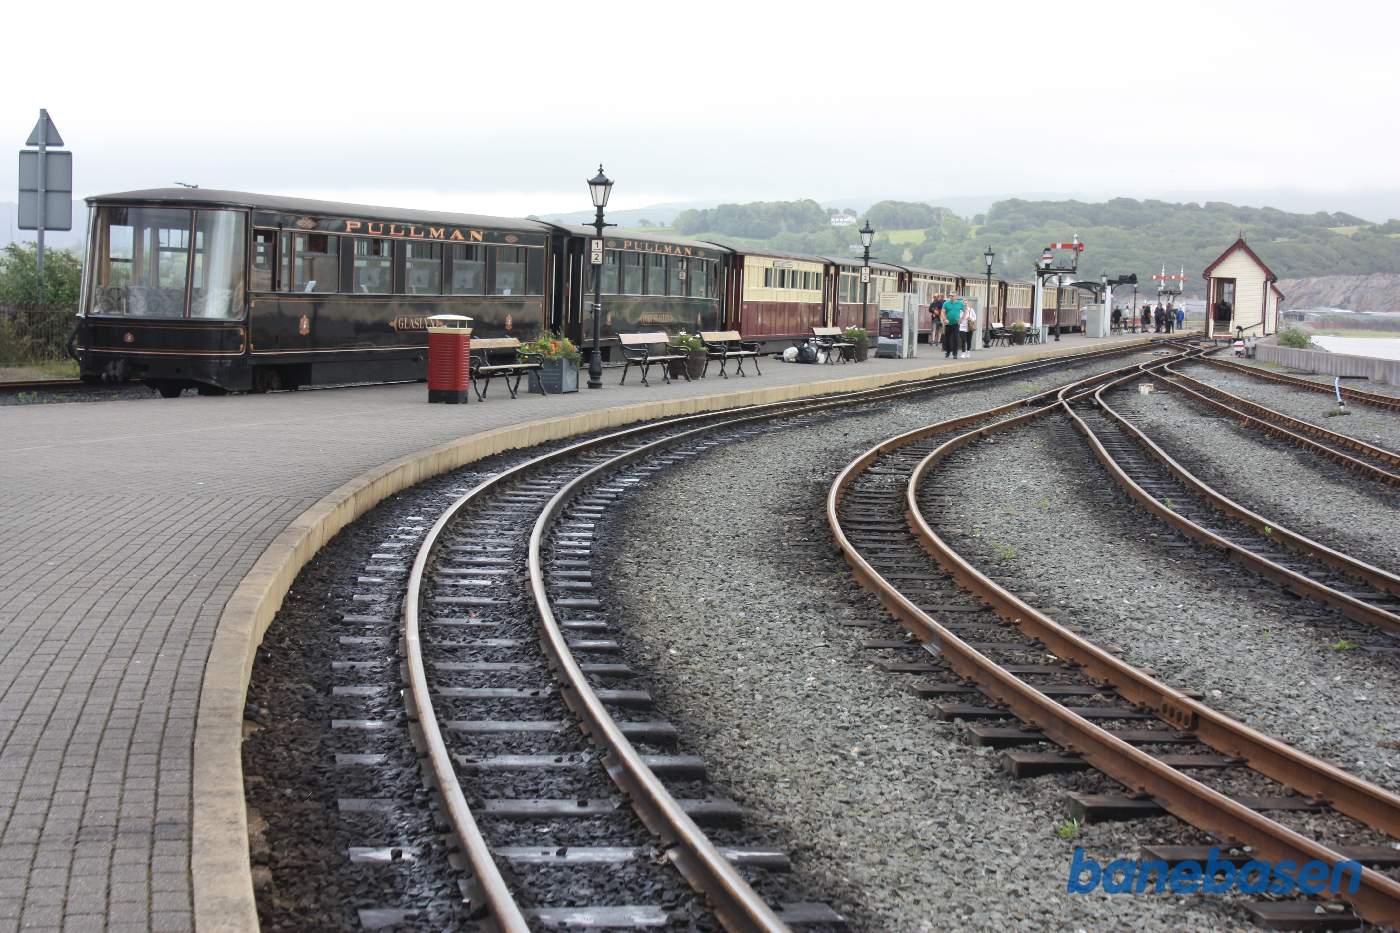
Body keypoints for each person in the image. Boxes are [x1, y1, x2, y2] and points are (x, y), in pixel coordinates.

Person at [941, 293, 965, 359]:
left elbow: (965, 311)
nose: (951, 297)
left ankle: (955, 353)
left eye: (952, 296)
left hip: (956, 323)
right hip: (948, 323)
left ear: (956, 297)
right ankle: (948, 352)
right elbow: (942, 312)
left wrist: (962, 318)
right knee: (947, 339)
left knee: (955, 338)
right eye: (950, 296)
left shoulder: (960, 303)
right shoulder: (946, 303)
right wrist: (944, 319)